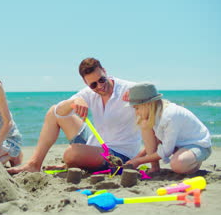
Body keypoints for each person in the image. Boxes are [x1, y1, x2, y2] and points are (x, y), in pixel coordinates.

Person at [8, 57, 141, 174]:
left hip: (118, 154)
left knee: (71, 154)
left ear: (105, 71)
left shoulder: (128, 89)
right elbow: (58, 112)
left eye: (102, 80)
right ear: (86, 83)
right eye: (93, 84)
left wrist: (141, 95)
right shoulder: (89, 92)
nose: (100, 86)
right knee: (53, 111)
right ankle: (34, 164)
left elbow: (154, 101)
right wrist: (74, 102)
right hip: (95, 143)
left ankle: (76, 163)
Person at [125, 83, 212, 174]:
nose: (136, 113)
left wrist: (139, 161)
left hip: (198, 145)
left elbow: (166, 151)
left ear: (148, 104)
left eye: (137, 108)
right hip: (178, 145)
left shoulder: (170, 116)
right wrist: (136, 158)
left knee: (177, 165)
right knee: (144, 124)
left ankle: (194, 162)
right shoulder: (155, 114)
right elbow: (155, 142)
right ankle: (155, 167)